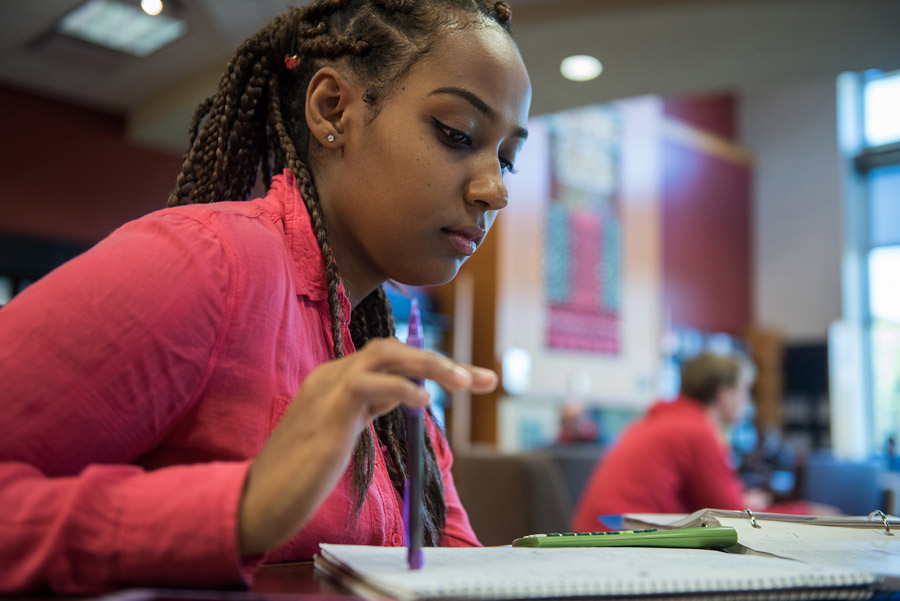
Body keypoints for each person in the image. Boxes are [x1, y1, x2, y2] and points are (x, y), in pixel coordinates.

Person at [0, 0, 531, 593]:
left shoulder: (381, 357)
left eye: (507, 160)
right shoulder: (206, 263)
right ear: (334, 109)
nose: (494, 191)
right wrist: (242, 508)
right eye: (457, 134)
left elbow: (456, 571)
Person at [572, 352, 818, 532]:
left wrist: (738, 502)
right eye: (744, 390)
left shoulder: (659, 421)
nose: (748, 402)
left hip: (597, 534)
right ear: (724, 394)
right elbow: (731, 518)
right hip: (621, 544)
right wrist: (808, 513)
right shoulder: (697, 431)